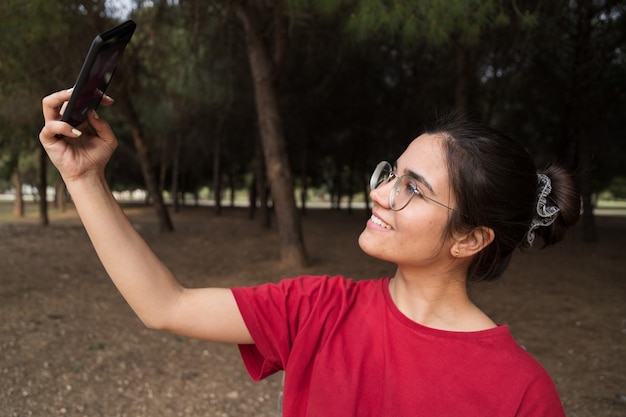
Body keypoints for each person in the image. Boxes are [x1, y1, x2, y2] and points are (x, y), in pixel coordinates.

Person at [40, 89, 580, 417]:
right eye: (391, 173)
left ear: (469, 238)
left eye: (411, 188)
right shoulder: (318, 309)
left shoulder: (521, 394)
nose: (380, 192)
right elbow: (165, 305)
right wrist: (83, 177)